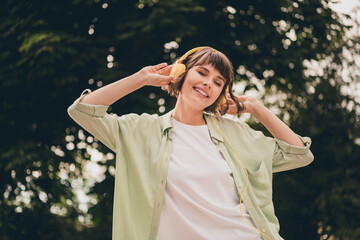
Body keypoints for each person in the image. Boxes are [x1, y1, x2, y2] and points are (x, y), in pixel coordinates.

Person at [68, 46, 314, 240]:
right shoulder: (140, 131)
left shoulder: (238, 134)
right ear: (182, 74)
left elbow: (299, 153)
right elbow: (83, 111)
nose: (209, 83)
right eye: (202, 73)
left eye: (218, 82)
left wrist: (254, 107)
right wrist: (140, 79)